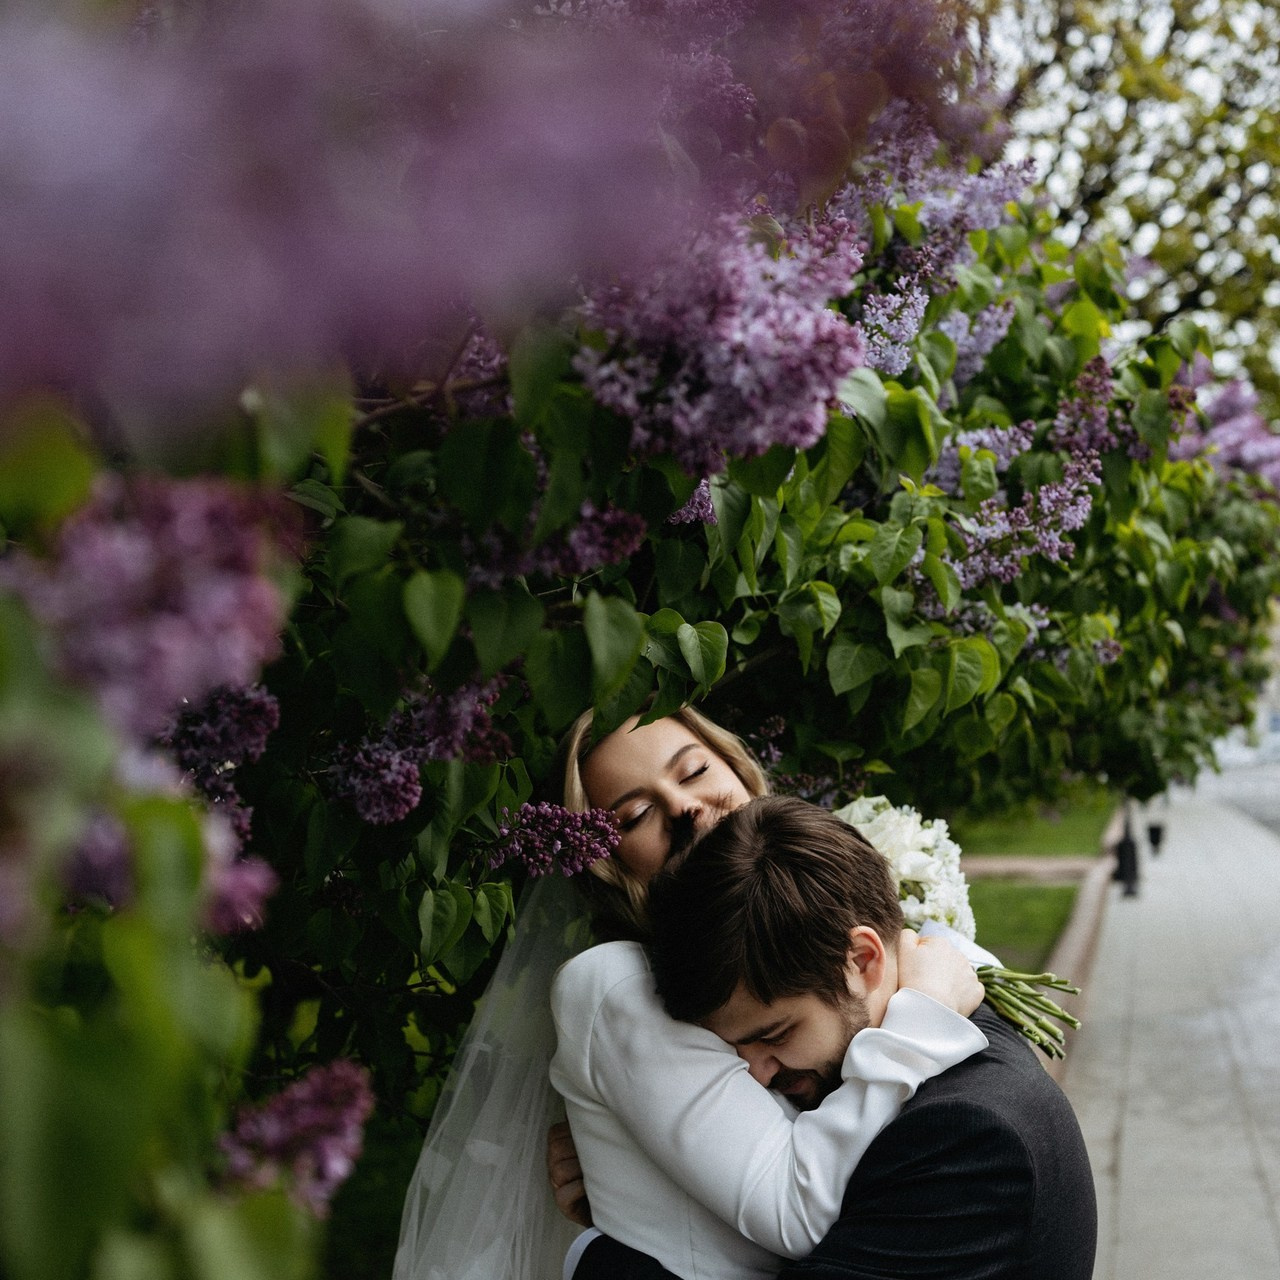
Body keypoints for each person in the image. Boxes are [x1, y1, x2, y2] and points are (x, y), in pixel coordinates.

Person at [394, 708, 989, 1280]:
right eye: (632, 816)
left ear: (741, 770)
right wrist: (922, 1015)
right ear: (605, 865)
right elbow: (791, 1203)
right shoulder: (621, 986)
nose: (682, 807)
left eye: (694, 771)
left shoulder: (806, 910)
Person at [569, 795, 1098, 1280]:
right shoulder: (927, 1072)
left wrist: (599, 1259)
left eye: (774, 1034)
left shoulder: (966, 1136)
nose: (757, 1071)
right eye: (736, 1047)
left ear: (862, 959)